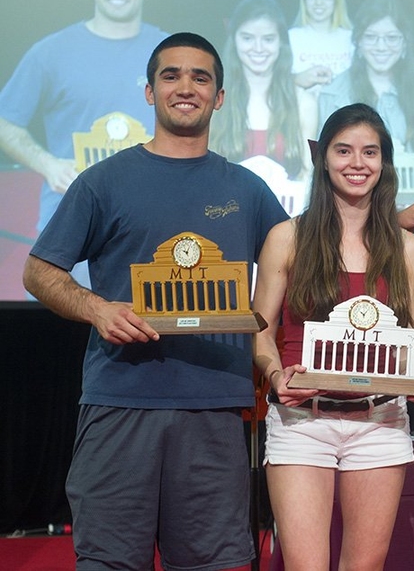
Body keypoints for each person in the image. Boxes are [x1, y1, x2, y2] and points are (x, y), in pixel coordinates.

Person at [22, 32, 288, 570]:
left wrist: (391, 226)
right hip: (121, 401)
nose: (185, 87)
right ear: (148, 92)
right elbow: (38, 270)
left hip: (214, 408)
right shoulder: (104, 182)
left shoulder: (246, 189)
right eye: (171, 75)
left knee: (210, 563)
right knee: (110, 561)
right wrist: (98, 308)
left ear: (219, 97)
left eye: (201, 77)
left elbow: (310, 252)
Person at [254, 102, 414, 570]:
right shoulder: (287, 237)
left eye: (370, 152)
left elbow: (407, 338)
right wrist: (276, 376)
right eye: (344, 150)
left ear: (385, 163)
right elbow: (260, 331)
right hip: (302, 422)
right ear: (323, 159)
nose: (357, 163)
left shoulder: (408, 249)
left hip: (380, 422)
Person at [0, 0, 167, 288]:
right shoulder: (50, 52)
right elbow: (5, 120)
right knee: (58, 336)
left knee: (149, 335)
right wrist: (48, 164)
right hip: (69, 230)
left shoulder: (170, 52)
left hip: (151, 231)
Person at [318, 0, 414, 208]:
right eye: (371, 37)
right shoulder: (333, 94)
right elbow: (322, 163)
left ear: (404, 44)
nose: (381, 46)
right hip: (352, 213)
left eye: (391, 38)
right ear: (358, 42)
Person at [211, 0, 315, 212]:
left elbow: (308, 176)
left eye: (268, 39)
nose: (258, 48)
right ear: (234, 40)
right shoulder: (215, 100)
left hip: (286, 224)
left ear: (280, 43)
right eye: (247, 38)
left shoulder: (303, 103)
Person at [288, 0, 354, 91]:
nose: (319, 2)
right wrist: (297, 79)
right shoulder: (290, 38)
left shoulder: (351, 39)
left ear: (336, 1)